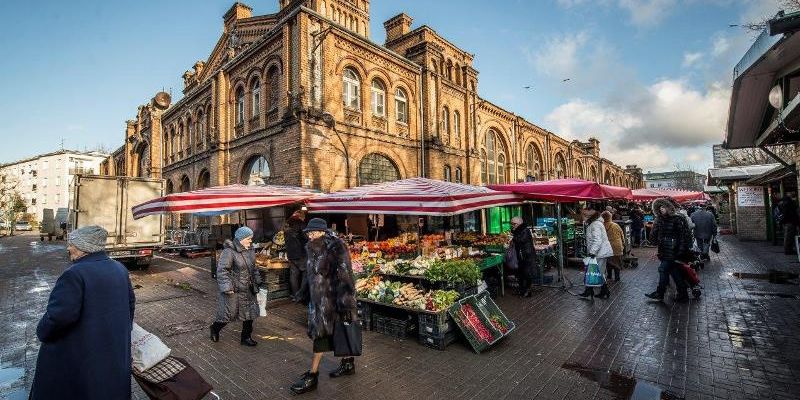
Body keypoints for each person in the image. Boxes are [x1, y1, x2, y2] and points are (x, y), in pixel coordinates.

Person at [30, 225, 135, 400]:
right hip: (113, 351)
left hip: (82, 357)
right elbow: (130, 304)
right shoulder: (119, 268)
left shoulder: (75, 273)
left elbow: (59, 317)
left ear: (83, 246)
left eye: (72, 243)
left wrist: (42, 331)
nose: (68, 248)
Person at [291, 218, 359, 394]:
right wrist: (303, 292)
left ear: (323, 231)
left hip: (333, 302)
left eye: (313, 232)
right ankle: (348, 364)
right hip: (319, 302)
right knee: (335, 334)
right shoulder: (312, 249)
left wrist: (345, 304)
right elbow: (310, 275)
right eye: (308, 233)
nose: (310, 235)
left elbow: (345, 277)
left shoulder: (336, 248)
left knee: (322, 338)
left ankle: (312, 375)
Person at [210, 226, 262, 346]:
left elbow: (254, 267)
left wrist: (258, 280)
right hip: (234, 290)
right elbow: (222, 270)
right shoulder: (229, 251)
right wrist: (227, 287)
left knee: (249, 314)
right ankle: (215, 328)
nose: (251, 241)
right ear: (241, 239)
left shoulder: (250, 250)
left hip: (248, 289)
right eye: (249, 238)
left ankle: (246, 337)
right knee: (228, 315)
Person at [646, 198, 693, 302]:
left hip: (674, 251)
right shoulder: (659, 219)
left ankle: (660, 293)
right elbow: (654, 237)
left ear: (668, 207)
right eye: (659, 207)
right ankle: (683, 294)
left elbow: (683, 236)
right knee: (674, 272)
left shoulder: (677, 219)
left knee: (662, 269)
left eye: (663, 207)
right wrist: (655, 227)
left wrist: (681, 251)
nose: (661, 209)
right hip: (663, 250)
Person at [580, 205, 614, 299]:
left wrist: (592, 252)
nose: (583, 217)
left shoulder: (595, 224)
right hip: (600, 252)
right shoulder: (595, 223)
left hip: (599, 253)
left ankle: (591, 291)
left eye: (585, 215)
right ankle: (601, 291)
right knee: (597, 272)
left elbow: (597, 240)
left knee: (594, 271)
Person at [284, 210, 308, 302]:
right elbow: (306, 237)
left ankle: (295, 295)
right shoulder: (300, 223)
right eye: (304, 218)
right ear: (301, 217)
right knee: (305, 274)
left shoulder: (287, 224)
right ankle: (301, 295)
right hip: (301, 253)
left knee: (293, 275)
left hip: (290, 254)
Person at [510, 216, 537, 298]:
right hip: (521, 255)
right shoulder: (518, 230)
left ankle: (527, 291)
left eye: (514, 224)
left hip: (527, 255)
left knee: (527, 273)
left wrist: (513, 237)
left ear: (519, 224)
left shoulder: (525, 230)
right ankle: (522, 290)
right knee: (520, 273)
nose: (512, 226)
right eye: (511, 224)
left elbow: (521, 240)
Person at [601, 211, 624, 282]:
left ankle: (609, 276)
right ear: (610, 217)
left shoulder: (601, 226)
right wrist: (623, 243)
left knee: (608, 262)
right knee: (617, 261)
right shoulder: (615, 225)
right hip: (617, 246)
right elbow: (622, 235)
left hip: (607, 247)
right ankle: (617, 277)